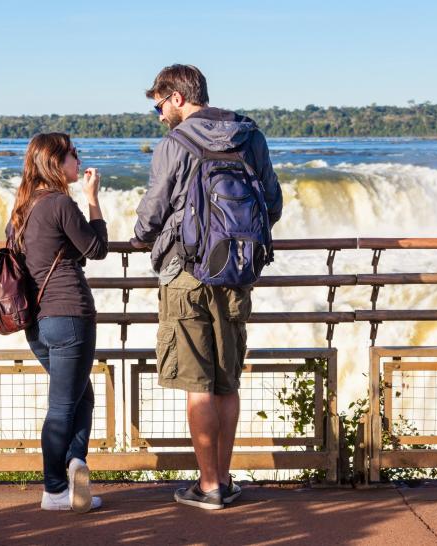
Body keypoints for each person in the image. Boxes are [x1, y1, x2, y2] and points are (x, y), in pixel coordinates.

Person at [132, 64, 283, 510]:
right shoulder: (249, 136)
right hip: (237, 272)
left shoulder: (175, 143)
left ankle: (209, 485)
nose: (159, 115)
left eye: (160, 105)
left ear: (177, 97)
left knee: (198, 382)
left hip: (187, 273)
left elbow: (153, 210)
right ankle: (226, 477)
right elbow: (272, 204)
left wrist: (139, 238)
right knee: (227, 382)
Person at [7, 133, 108, 512]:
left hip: (36, 323)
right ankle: (54, 489)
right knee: (64, 405)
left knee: (82, 396)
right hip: (70, 315)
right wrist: (93, 198)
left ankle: (75, 465)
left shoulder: (21, 209)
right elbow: (96, 249)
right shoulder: (59, 204)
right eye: (73, 156)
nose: (79, 162)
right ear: (55, 162)